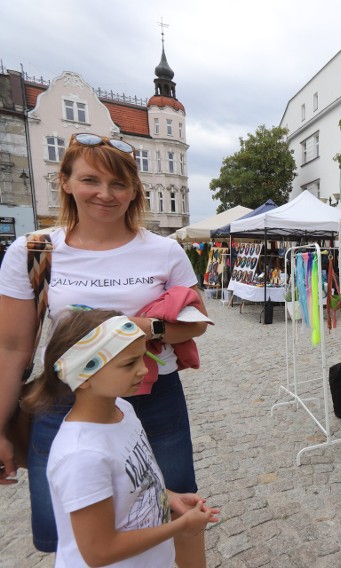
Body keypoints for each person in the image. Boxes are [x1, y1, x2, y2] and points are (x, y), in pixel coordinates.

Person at [0, 132, 210, 566]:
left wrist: (141, 328)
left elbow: (194, 327)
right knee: (72, 529)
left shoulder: (165, 250)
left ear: (134, 190)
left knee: (169, 507)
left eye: (119, 184)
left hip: (152, 399)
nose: (105, 194)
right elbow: (12, 347)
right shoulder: (34, 251)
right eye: (91, 180)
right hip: (63, 402)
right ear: (66, 181)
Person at [20, 309, 218, 567]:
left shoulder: (122, 410)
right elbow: (99, 551)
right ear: (84, 375)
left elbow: (138, 481)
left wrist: (170, 497)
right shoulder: (82, 456)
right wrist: (179, 527)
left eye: (142, 357)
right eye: (128, 363)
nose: (143, 370)